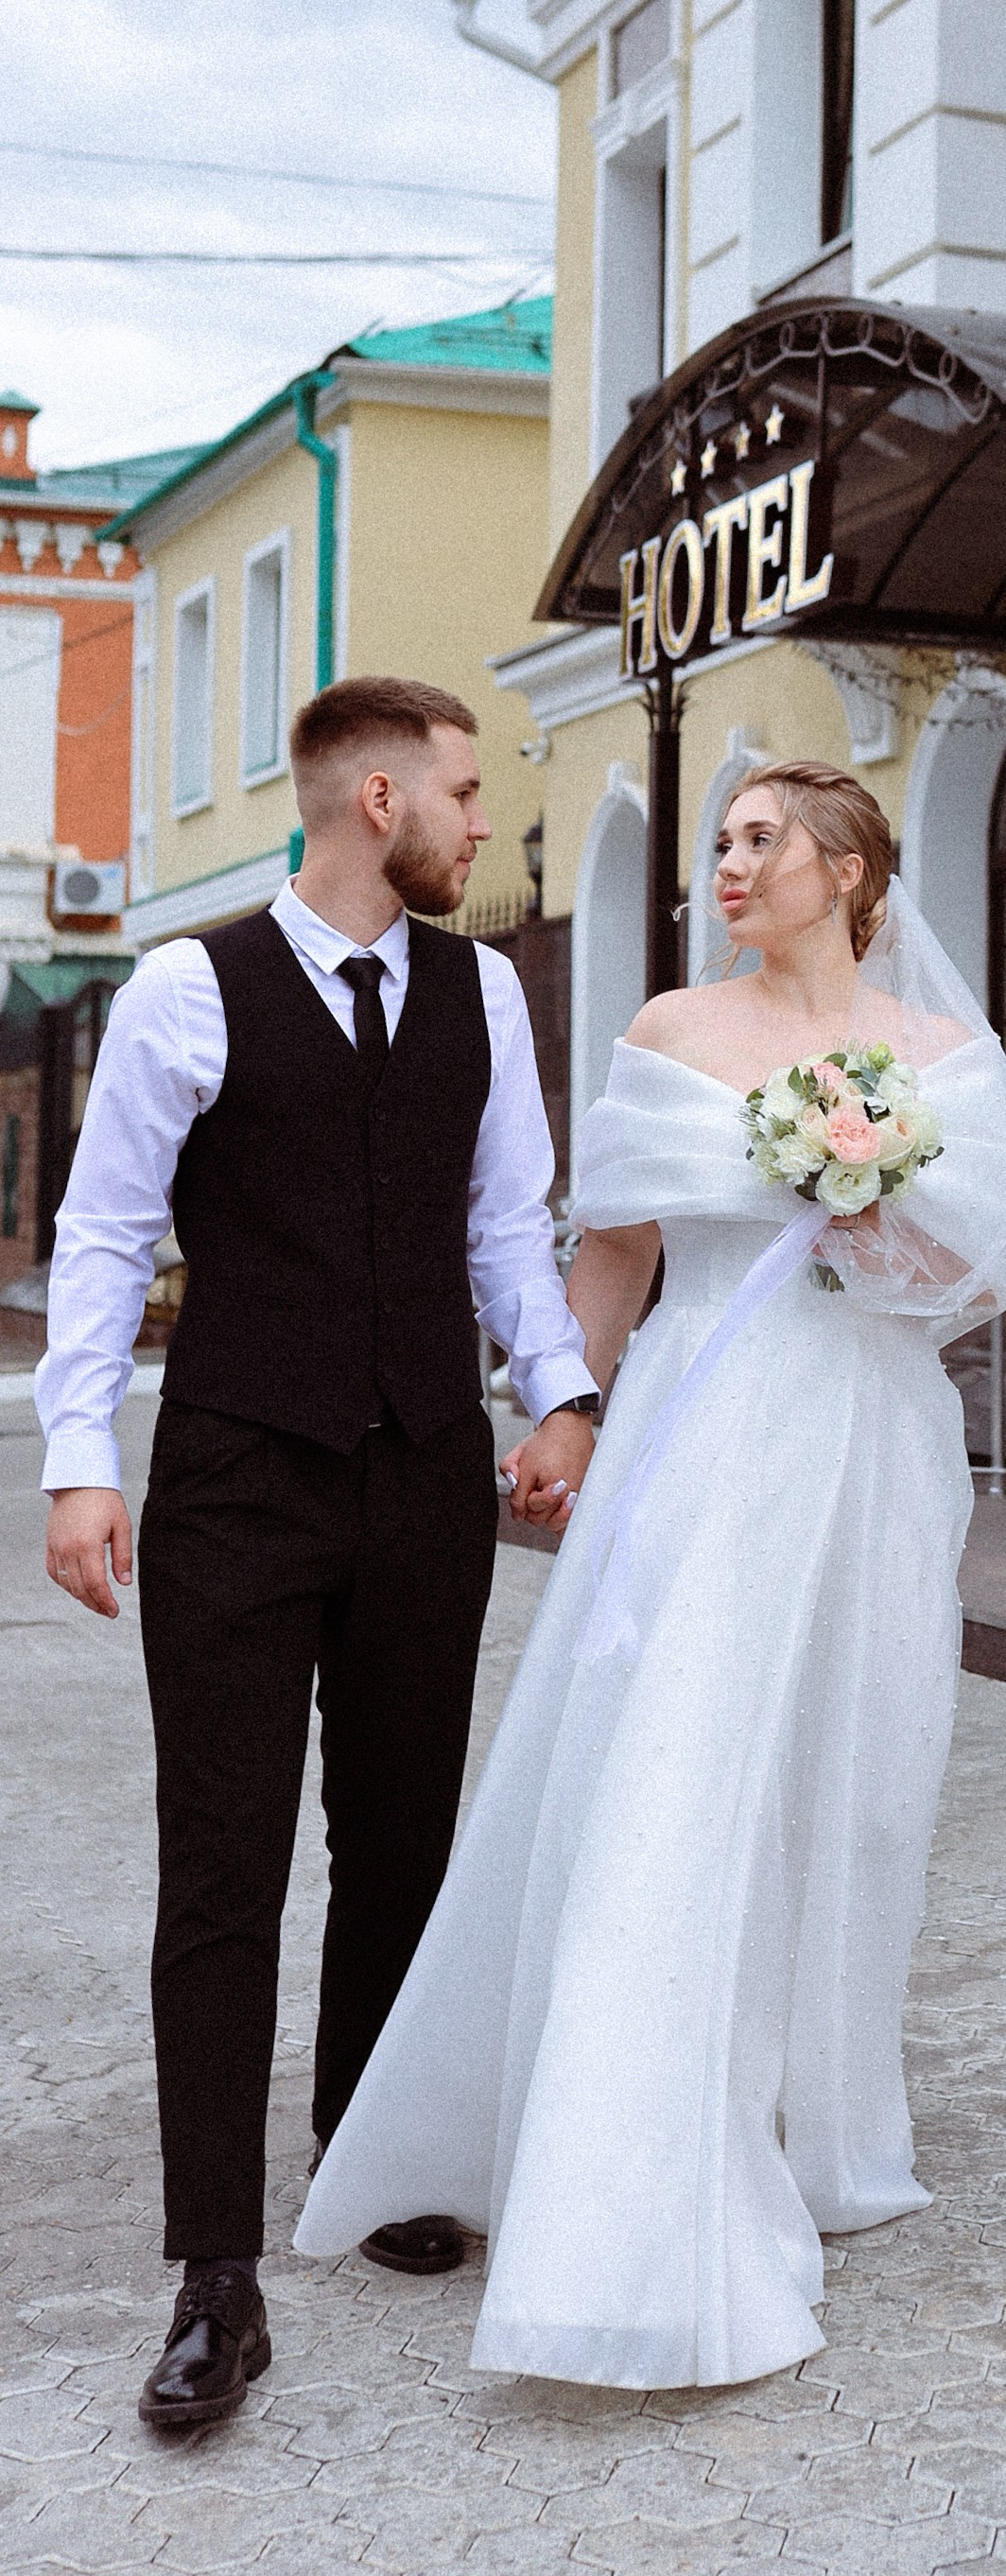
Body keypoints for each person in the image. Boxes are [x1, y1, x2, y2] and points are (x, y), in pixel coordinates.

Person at [296, 758, 1006, 2390]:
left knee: (845, 1785)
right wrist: (564, 1405)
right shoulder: (669, 1034)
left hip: (865, 1447)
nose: (730, 862)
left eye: (762, 839)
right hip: (700, 1445)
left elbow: (972, 1272)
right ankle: (626, 2185)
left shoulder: (943, 1062)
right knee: (671, 1774)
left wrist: (864, 1197)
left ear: (850, 872)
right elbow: (617, 1246)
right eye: (717, 840)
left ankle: (808, 2106)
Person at [39, 678, 598, 2434]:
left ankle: (368, 2146)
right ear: (375, 800)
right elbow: (107, 1232)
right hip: (236, 1474)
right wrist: (76, 1463)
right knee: (223, 1861)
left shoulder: (487, 991)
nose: (483, 820)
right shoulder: (186, 989)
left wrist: (562, 1396)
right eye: (463, 790)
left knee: (403, 1834)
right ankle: (217, 2267)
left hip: (427, 1471)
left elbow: (509, 1223)